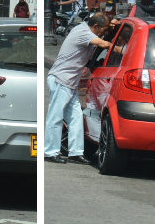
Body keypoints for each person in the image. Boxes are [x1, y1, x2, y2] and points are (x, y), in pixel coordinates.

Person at [44, 13, 120, 164]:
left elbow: (104, 29)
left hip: (69, 83)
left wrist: (113, 24)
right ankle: (49, 152)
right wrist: (122, 50)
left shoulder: (87, 28)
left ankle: (75, 152)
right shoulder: (83, 32)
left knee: (76, 117)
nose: (104, 33)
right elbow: (104, 44)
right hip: (61, 80)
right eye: (103, 30)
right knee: (56, 117)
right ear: (96, 26)